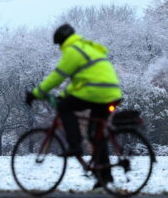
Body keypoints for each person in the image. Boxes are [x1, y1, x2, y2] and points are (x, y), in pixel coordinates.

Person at [25, 23, 122, 188]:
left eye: (59, 44)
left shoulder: (73, 50)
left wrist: (36, 93)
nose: (60, 48)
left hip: (96, 91)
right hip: (110, 92)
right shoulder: (86, 47)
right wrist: (63, 95)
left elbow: (58, 76)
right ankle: (104, 177)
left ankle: (75, 145)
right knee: (95, 134)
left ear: (62, 40)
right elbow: (80, 81)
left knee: (64, 108)